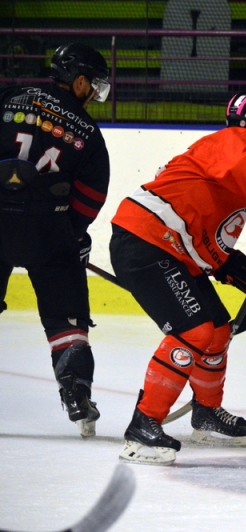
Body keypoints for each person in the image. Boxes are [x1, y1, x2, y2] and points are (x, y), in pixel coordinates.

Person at [110, 92, 246, 466]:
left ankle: (207, 413)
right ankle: (143, 427)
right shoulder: (235, 141)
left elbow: (199, 225)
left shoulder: (226, 162)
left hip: (168, 246)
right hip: (147, 243)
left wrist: (230, 267)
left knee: (216, 330)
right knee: (194, 332)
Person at [0, 43, 112, 437]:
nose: (94, 93)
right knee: (66, 315)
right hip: (47, 231)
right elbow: (91, 195)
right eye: (93, 85)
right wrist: (72, 234)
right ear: (79, 81)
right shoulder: (88, 133)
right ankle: (76, 393)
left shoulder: (9, 98)